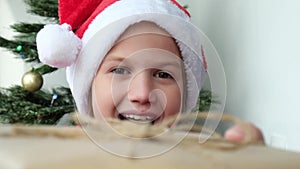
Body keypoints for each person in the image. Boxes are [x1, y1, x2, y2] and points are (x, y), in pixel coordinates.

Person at [36, 0, 263, 142]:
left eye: (163, 74)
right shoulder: (63, 155)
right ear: (88, 86)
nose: (143, 94)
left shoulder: (199, 157)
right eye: (120, 70)